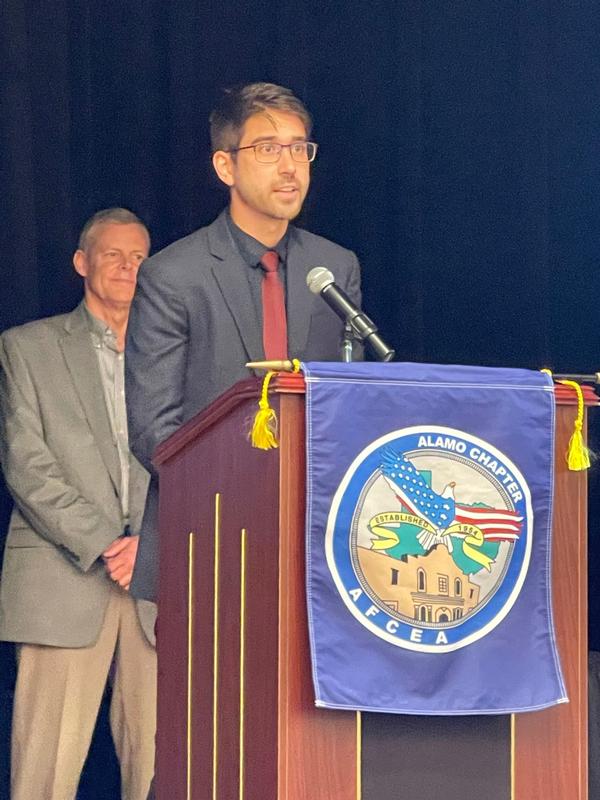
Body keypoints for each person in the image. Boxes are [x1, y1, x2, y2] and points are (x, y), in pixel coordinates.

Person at [125, 82, 363, 604]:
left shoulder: (334, 267)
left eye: (300, 148)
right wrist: (252, 494)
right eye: (268, 149)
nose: (290, 166)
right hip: (210, 538)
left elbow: (351, 402)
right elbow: (154, 430)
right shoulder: (173, 275)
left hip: (321, 546)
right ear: (225, 167)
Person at [0, 208, 157, 800]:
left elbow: (193, 458)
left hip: (153, 582)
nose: (126, 267)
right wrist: (105, 543)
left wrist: (150, 542)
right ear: (81, 262)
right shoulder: (26, 347)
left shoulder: (172, 353)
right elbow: (26, 464)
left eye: (139, 256)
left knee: (160, 771)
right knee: (45, 773)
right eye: (113, 254)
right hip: (65, 573)